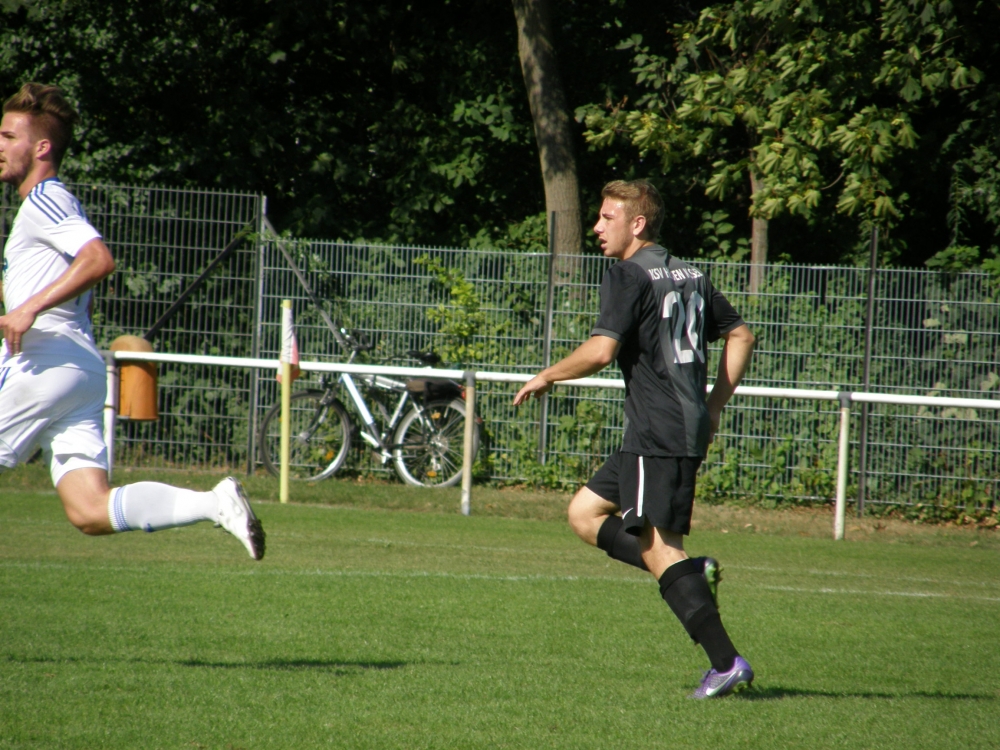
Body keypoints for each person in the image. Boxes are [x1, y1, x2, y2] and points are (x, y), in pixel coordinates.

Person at [0, 82, 264, 560]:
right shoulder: (49, 206)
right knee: (89, 509)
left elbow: (98, 260)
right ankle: (214, 503)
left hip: (42, 363)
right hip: (79, 370)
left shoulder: (44, 200)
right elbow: (73, 288)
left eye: (8, 136)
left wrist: (28, 308)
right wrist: (23, 302)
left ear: (41, 148)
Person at [514, 179, 755, 698]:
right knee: (584, 514)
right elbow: (741, 334)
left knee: (660, 546)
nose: (597, 227)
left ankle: (725, 661)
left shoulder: (628, 273)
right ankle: (690, 574)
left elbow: (602, 351)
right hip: (670, 427)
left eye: (607, 217)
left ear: (637, 223)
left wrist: (547, 375)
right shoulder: (689, 273)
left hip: (657, 430)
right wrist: (713, 407)